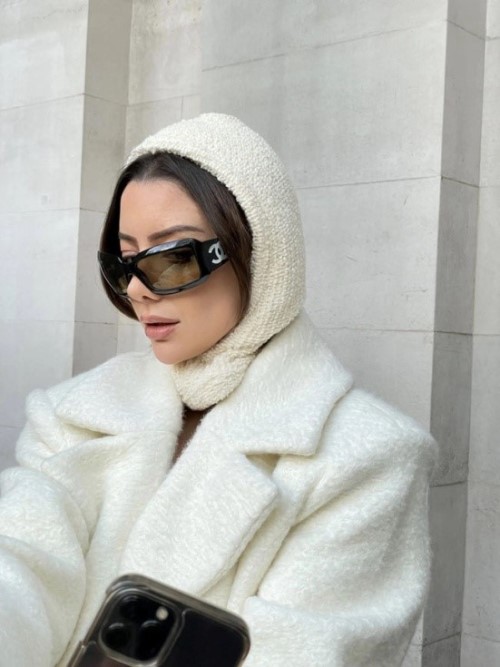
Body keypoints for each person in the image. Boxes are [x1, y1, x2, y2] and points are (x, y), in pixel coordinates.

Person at [0, 113, 436, 667]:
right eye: (124, 262)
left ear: (260, 252)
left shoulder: (369, 457)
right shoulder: (70, 414)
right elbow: (19, 568)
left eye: (173, 258)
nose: (137, 290)